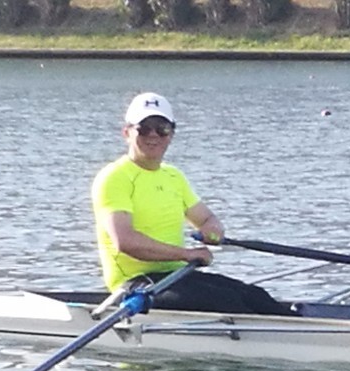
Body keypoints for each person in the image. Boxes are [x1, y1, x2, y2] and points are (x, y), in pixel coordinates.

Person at [91, 92, 296, 316]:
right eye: (144, 128)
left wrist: (212, 230)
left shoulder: (173, 176)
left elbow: (207, 219)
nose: (153, 135)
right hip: (135, 285)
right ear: (127, 133)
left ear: (171, 134)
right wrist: (186, 254)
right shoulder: (114, 177)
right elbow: (126, 242)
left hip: (178, 276)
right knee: (225, 302)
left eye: (162, 128)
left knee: (256, 296)